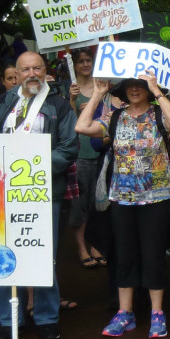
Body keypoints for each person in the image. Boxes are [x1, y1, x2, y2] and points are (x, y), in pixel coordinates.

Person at [0, 51, 78, 339]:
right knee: (5, 253)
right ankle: (9, 319)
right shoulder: (3, 103)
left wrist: (34, 165)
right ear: (18, 73)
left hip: (43, 191)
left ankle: (47, 318)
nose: (32, 74)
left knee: (41, 255)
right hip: (4, 193)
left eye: (37, 68)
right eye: (26, 70)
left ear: (45, 70)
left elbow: (69, 147)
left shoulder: (58, 105)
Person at [76, 73, 170, 338]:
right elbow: (82, 126)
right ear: (122, 91)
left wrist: (157, 90)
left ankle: (157, 313)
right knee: (124, 254)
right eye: (129, 86)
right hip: (121, 198)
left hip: (157, 197)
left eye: (140, 85)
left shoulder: (158, 114)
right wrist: (99, 93)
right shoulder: (115, 117)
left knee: (153, 254)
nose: (135, 90)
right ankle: (125, 313)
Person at [67, 49, 105, 268]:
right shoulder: (70, 88)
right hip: (79, 153)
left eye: (88, 60)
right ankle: (81, 247)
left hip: (100, 151)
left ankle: (95, 244)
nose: (84, 64)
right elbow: (68, 123)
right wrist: (72, 101)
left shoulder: (101, 86)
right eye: (80, 61)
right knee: (79, 204)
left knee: (97, 203)